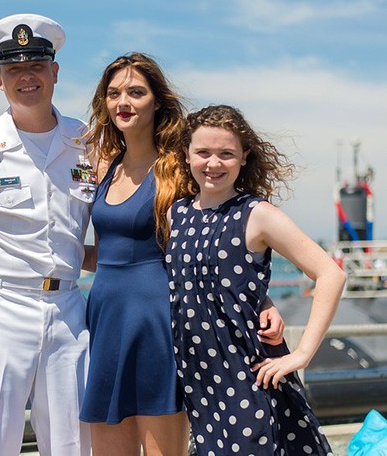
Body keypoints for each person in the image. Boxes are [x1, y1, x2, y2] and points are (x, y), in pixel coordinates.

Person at [80, 53, 284, 456]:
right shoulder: (104, 166)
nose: (124, 101)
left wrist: (263, 298)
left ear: (157, 101)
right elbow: (106, 254)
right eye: (114, 93)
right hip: (105, 318)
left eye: (137, 92)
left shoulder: (177, 168)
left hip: (158, 319)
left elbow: (212, 246)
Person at [166, 104, 345, 455]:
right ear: (186, 154)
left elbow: (330, 273)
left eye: (226, 154)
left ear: (244, 157)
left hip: (247, 374)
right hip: (197, 377)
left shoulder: (257, 214)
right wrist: (262, 299)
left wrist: (303, 354)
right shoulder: (177, 213)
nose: (213, 163)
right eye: (203, 152)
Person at [0, 13, 95, 455]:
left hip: (70, 308)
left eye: (36, 65)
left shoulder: (89, 141)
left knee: (76, 443)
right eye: (14, 69)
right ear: (0, 80)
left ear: (55, 72)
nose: (26, 77)